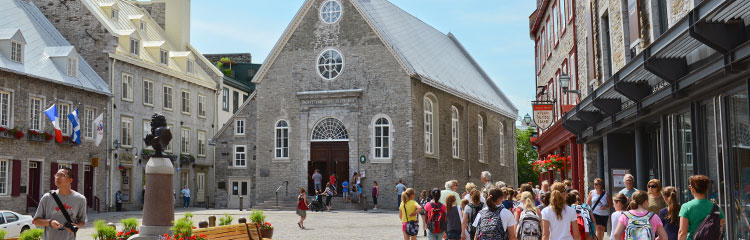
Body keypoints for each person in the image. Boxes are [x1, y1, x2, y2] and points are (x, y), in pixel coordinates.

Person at [32, 167, 87, 240]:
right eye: (57, 175)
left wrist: (77, 226)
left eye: (62, 175)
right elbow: (35, 221)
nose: (57, 177)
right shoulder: (47, 197)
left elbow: (82, 221)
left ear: (70, 180)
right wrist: (50, 222)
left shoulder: (80, 199)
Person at [678, 175, 725, 240]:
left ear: (692, 189)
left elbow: (682, 232)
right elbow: (720, 228)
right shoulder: (716, 207)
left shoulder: (686, 207)